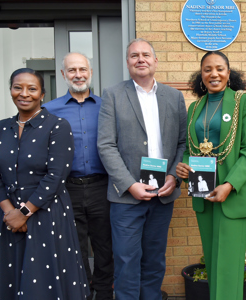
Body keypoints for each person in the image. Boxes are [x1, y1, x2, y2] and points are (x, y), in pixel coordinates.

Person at [0, 68, 89, 299]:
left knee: (45, 281)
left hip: (46, 214)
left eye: (32, 89)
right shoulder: (1, 128)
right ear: (10, 90)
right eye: (17, 87)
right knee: (15, 277)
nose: (24, 94)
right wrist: (10, 212)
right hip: (10, 217)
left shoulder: (57, 126)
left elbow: (55, 177)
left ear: (42, 94)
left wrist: (24, 212)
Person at [97, 38, 187, 300]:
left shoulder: (173, 96)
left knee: (155, 260)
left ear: (155, 61)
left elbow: (182, 143)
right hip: (126, 198)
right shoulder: (113, 95)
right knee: (126, 261)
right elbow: (106, 146)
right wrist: (130, 184)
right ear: (127, 63)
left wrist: (173, 176)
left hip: (163, 194)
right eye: (134, 55)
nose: (140, 59)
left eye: (146, 54)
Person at [176, 50, 246, 300]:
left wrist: (229, 184)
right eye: (207, 69)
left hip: (231, 194)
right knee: (213, 261)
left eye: (220, 69)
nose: (214, 74)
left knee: (228, 265)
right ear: (200, 75)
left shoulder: (243, 102)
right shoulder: (194, 108)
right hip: (203, 192)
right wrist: (182, 167)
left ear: (228, 72)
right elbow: (190, 148)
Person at [43, 52, 114, 300]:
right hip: (66, 189)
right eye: (72, 70)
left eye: (82, 69)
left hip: (102, 187)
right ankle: (81, 292)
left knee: (105, 245)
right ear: (63, 75)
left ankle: (104, 293)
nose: (78, 75)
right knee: (74, 246)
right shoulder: (49, 110)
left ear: (90, 73)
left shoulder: (108, 106)